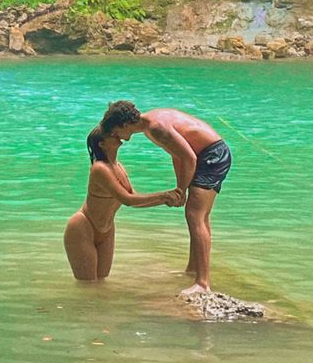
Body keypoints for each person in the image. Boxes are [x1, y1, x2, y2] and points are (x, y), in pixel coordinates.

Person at [101, 100, 232, 295]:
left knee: (195, 215)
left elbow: (190, 158)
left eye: (115, 132)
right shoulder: (149, 123)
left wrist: (181, 189)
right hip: (205, 154)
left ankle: (203, 283)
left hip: (211, 155)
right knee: (199, 215)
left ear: (124, 125)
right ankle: (193, 268)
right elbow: (177, 155)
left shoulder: (155, 128)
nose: (116, 137)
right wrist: (182, 190)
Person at [63, 123, 181, 281]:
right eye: (111, 134)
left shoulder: (119, 167)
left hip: (107, 228)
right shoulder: (99, 168)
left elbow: (135, 198)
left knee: (102, 280)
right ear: (102, 144)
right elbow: (127, 200)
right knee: (88, 285)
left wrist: (165, 200)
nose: (116, 134)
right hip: (83, 227)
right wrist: (164, 196)